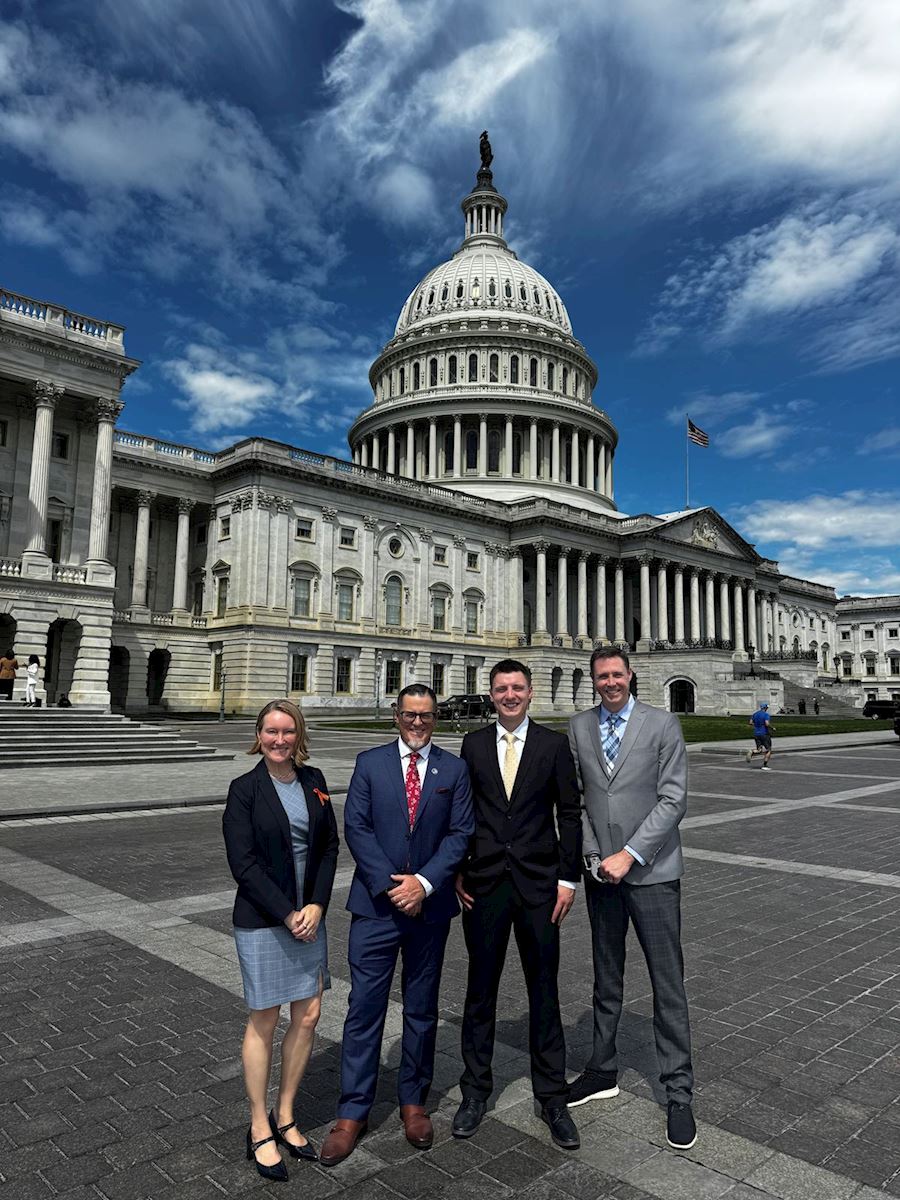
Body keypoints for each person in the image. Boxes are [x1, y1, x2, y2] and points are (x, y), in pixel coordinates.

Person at [319, 684, 473, 1167]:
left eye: (426, 716)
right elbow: (357, 829)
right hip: (376, 909)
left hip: (428, 908)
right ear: (396, 715)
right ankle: (352, 1111)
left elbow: (460, 832)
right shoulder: (370, 763)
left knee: (422, 1009)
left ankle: (413, 1100)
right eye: (410, 714)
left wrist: (423, 884)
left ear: (436, 719)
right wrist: (394, 887)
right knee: (364, 1009)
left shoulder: (454, 769)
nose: (418, 723)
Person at [567, 648, 696, 1151]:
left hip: (653, 872)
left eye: (617, 674)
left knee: (668, 985)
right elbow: (577, 799)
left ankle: (679, 1092)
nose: (610, 682)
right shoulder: (578, 727)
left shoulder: (662, 724)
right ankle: (602, 1069)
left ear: (630, 675)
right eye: (602, 676)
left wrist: (630, 854)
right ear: (594, 680)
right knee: (606, 977)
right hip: (602, 875)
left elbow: (673, 800)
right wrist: (596, 856)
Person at [452, 659, 582, 1150]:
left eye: (517, 688)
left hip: (539, 886)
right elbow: (463, 810)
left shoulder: (552, 745)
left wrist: (569, 877)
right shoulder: (474, 743)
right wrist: (460, 867)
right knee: (480, 991)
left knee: (543, 990)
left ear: (530, 694)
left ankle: (552, 1096)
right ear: (491, 693)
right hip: (485, 884)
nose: (510, 695)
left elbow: (569, 812)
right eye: (502, 688)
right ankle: (474, 1090)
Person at [222, 699, 339, 1182]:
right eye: (271, 731)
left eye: (288, 731)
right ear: (259, 734)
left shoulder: (315, 782)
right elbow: (242, 863)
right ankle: (258, 1124)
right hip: (265, 918)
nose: (279, 739)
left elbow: (329, 846)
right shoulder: (245, 789)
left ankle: (286, 1113)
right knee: (264, 1018)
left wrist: (315, 905)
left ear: (299, 735)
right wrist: (288, 912)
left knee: (308, 1014)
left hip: (307, 916)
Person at [746, 703, 773, 769]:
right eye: (767, 708)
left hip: (756, 734)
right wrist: (772, 728)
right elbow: (767, 723)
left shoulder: (755, 714)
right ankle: (765, 765)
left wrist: (756, 724)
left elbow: (750, 722)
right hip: (764, 734)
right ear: (765, 708)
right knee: (769, 750)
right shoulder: (766, 715)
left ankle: (752, 751)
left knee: (759, 749)